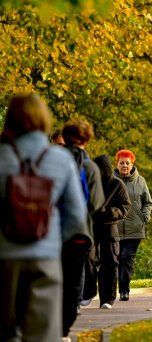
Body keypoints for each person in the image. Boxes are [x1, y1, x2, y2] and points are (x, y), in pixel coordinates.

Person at [0, 93, 88, 342]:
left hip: (4, 257)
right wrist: (53, 240)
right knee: (42, 334)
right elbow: (75, 216)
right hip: (45, 258)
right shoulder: (59, 160)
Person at [61, 118, 105, 339]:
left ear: (65, 136)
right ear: (86, 139)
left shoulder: (52, 160)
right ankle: (64, 329)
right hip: (79, 231)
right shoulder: (89, 167)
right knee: (73, 278)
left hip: (51, 230)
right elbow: (96, 203)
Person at [89, 155, 131, 309]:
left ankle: (107, 299)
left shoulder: (117, 184)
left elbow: (125, 206)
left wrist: (110, 212)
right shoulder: (90, 183)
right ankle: (88, 291)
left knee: (110, 261)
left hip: (109, 226)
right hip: (90, 226)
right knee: (88, 259)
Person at [115, 149, 152, 301]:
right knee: (116, 259)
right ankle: (118, 288)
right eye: (121, 163)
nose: (124, 165)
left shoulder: (140, 181)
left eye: (127, 163)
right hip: (114, 227)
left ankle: (125, 290)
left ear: (132, 164)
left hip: (135, 227)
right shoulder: (111, 180)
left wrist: (145, 216)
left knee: (127, 257)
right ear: (116, 164)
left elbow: (148, 202)